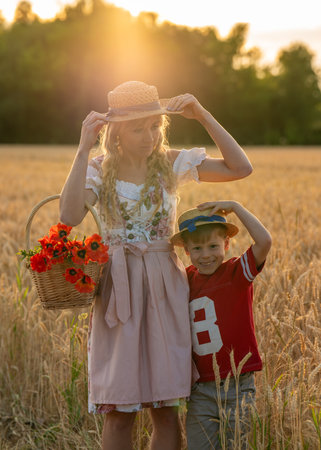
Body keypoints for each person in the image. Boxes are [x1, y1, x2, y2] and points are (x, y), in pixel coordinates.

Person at [59, 80, 253, 450]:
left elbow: (239, 167)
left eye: (154, 126)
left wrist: (202, 115)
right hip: (120, 289)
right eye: (138, 127)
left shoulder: (170, 163)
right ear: (116, 131)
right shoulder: (100, 170)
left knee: (166, 409)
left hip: (166, 285)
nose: (149, 135)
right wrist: (83, 148)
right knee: (119, 413)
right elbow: (68, 216)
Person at [170, 201, 272, 449]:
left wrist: (236, 207)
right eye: (197, 248)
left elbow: (264, 242)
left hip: (238, 385)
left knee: (239, 445)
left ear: (226, 245)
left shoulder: (237, 273)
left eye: (213, 246)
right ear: (186, 250)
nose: (206, 254)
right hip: (201, 389)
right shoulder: (184, 281)